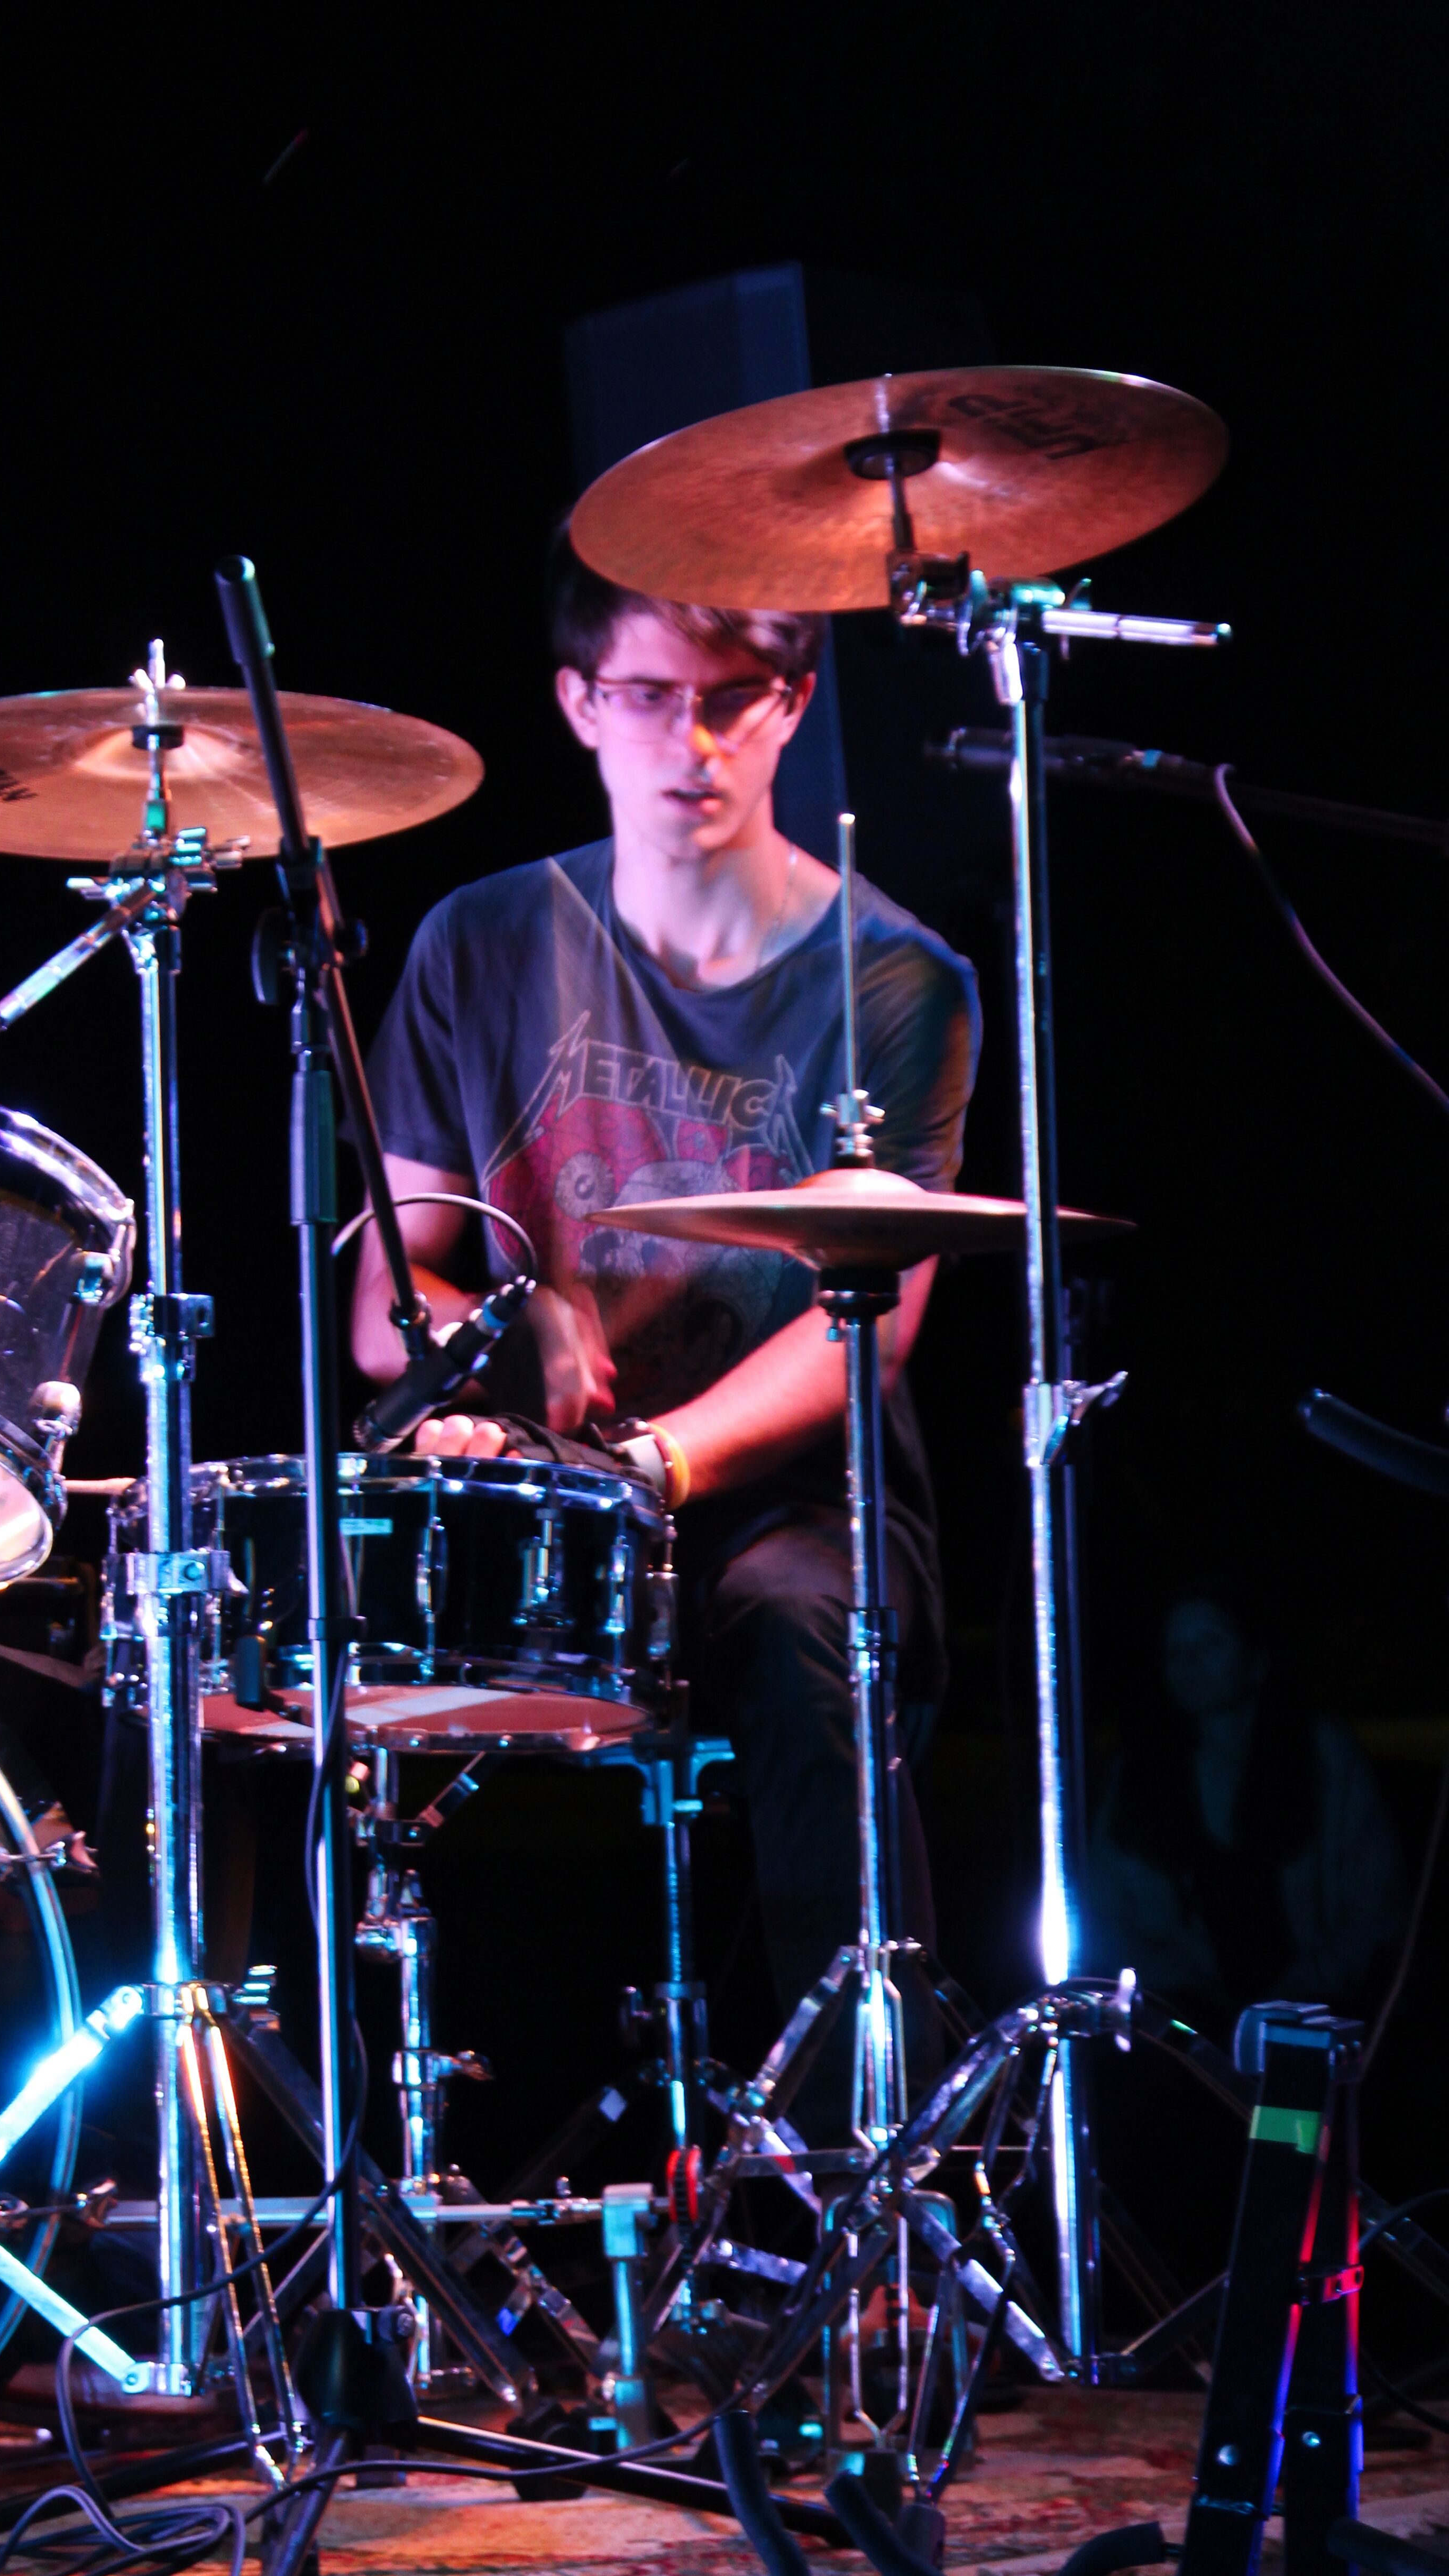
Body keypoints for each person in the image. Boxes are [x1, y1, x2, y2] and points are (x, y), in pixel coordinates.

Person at [350, 533, 981, 2138]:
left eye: (730, 699)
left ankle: (869, 2165)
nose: (688, 742)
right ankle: (381, 2174)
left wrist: (645, 1465)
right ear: (578, 704)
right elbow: (386, 1302)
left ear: (792, 704)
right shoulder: (480, 940)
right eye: (646, 696)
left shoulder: (896, 981)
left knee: (800, 1625)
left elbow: (862, 1336)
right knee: (271, 1640)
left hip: (780, 1500)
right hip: (530, 1485)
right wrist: (503, 1332)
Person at [1085, 1587, 1409, 2030]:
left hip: (1315, 2017)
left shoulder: (1323, 1757)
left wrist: (1295, 1997)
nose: (1190, 1661)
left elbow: (1378, 1905)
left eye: (1210, 1643)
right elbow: (1105, 1914)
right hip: (1189, 2029)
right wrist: (1188, 2003)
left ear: (1257, 1661)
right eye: (1176, 1651)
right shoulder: (1139, 1776)